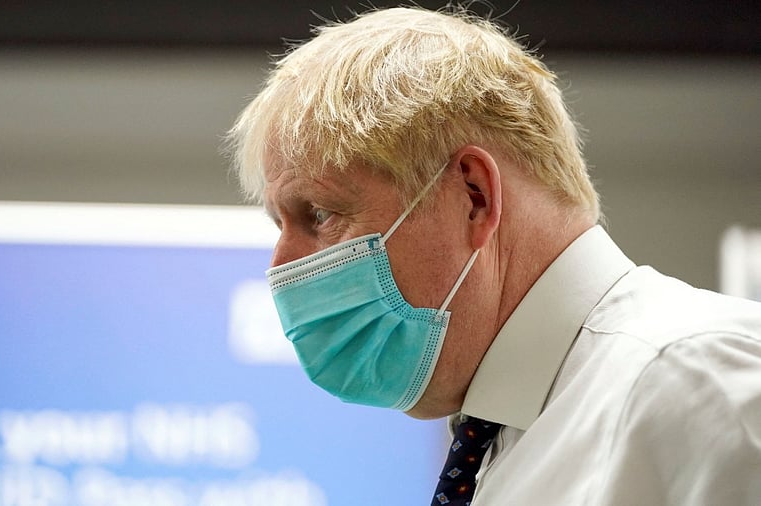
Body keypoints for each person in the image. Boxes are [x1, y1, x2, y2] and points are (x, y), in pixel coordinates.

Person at [225, 6, 761, 505]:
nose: (281, 266)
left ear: (473, 196)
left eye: (319, 213)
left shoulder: (697, 385)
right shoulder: (503, 441)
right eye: (280, 224)